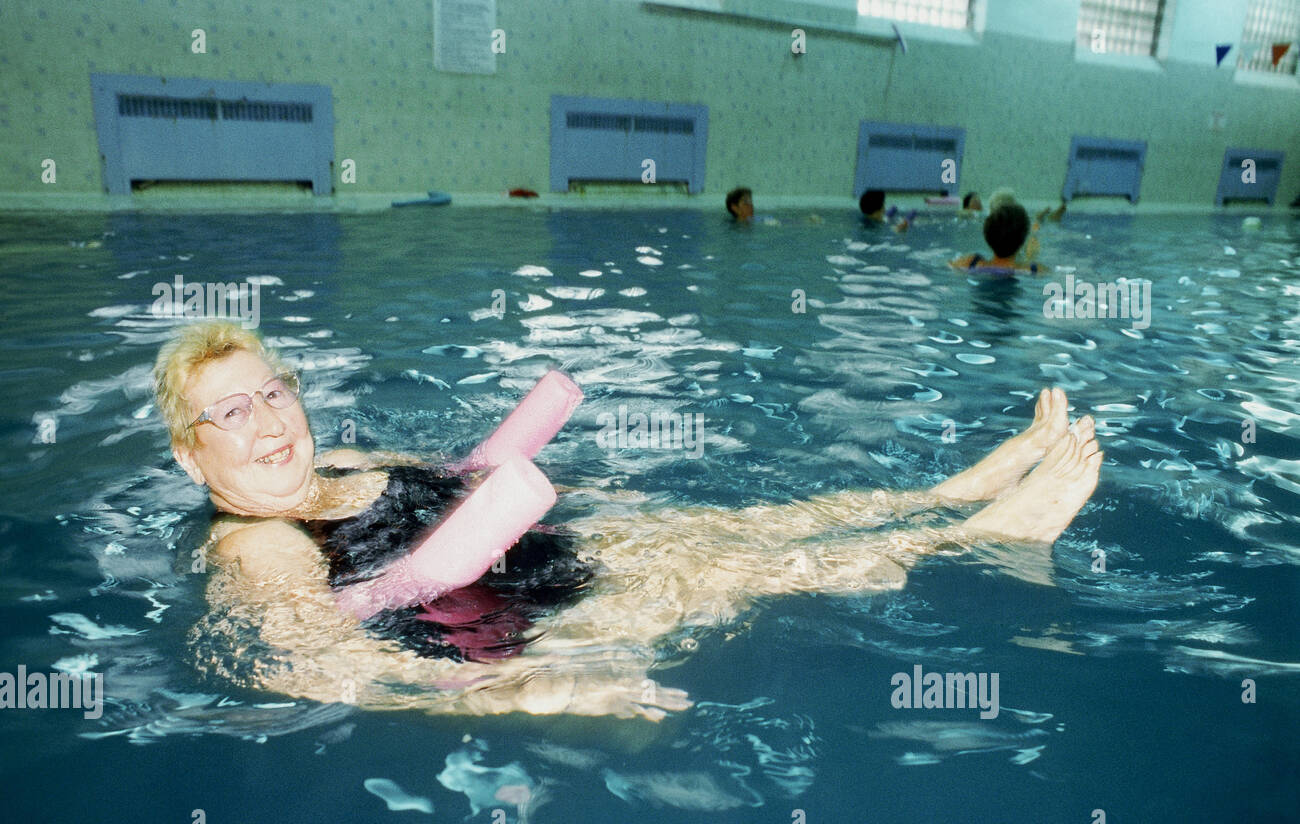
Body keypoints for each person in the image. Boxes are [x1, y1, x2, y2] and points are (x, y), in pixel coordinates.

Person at [157, 322, 1102, 721]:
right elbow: (316, 666)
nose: (268, 420)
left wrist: (590, 497)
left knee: (752, 524)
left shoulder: (337, 466)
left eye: (273, 391)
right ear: (191, 458)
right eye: (230, 412)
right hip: (517, 625)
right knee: (744, 569)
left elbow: (452, 484)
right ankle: (983, 534)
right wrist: (529, 692)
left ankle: (946, 493)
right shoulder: (260, 547)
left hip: (541, 557)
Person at [950, 200, 1051, 274]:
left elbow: (950, 266)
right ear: (1023, 241)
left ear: (986, 235)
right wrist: (1030, 259)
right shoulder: (1033, 269)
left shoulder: (970, 262)